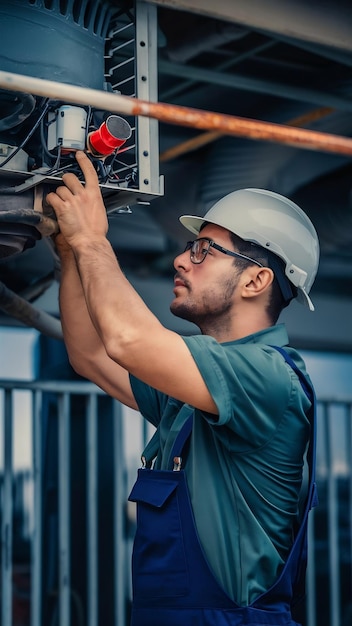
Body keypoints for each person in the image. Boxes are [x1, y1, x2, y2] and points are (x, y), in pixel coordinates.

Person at [47, 150, 319, 626]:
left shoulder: (266, 375)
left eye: (204, 250)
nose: (180, 259)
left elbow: (128, 340)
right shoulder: (195, 389)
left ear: (256, 280)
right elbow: (91, 354)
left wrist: (92, 239)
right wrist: (71, 252)